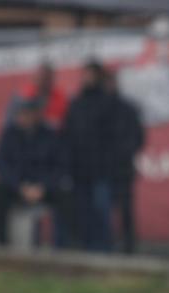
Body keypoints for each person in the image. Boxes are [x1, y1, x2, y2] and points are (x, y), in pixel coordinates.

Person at [0, 96, 66, 247]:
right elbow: (1, 166)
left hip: (42, 188)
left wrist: (42, 187)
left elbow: (60, 167)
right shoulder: (9, 135)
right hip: (17, 187)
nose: (26, 117)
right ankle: (2, 245)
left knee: (66, 197)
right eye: (23, 113)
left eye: (30, 113)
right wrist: (20, 187)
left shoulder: (49, 135)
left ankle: (65, 247)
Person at [62, 60, 117, 251]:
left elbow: (114, 138)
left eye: (91, 74)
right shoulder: (76, 104)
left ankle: (103, 251)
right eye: (85, 74)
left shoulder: (108, 104)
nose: (87, 78)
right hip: (79, 169)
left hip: (101, 169)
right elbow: (67, 135)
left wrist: (109, 161)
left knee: (101, 211)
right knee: (82, 212)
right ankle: (86, 250)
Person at [105, 69, 144, 254]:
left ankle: (129, 245)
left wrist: (125, 151)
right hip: (103, 168)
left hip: (123, 167)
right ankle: (106, 243)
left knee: (126, 209)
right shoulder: (100, 108)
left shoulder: (128, 109)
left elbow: (138, 136)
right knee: (104, 208)